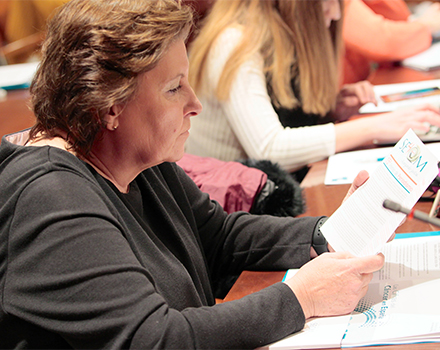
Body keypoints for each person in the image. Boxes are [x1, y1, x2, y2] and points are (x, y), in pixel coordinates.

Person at [0, 0, 385, 348]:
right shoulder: (52, 201)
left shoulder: (132, 158)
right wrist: (302, 298)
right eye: (173, 89)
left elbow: (219, 237)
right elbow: (155, 339)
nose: (194, 104)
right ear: (110, 106)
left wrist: (326, 234)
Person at [186, 0, 440, 176]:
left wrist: (332, 112)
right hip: (238, 212)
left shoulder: (277, 35)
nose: (336, 13)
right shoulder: (234, 42)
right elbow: (270, 149)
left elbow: (282, 119)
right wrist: (374, 126)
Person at [343, 0, 440, 84]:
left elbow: (401, 18)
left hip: (361, 88)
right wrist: (428, 26)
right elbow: (382, 42)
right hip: (340, 96)